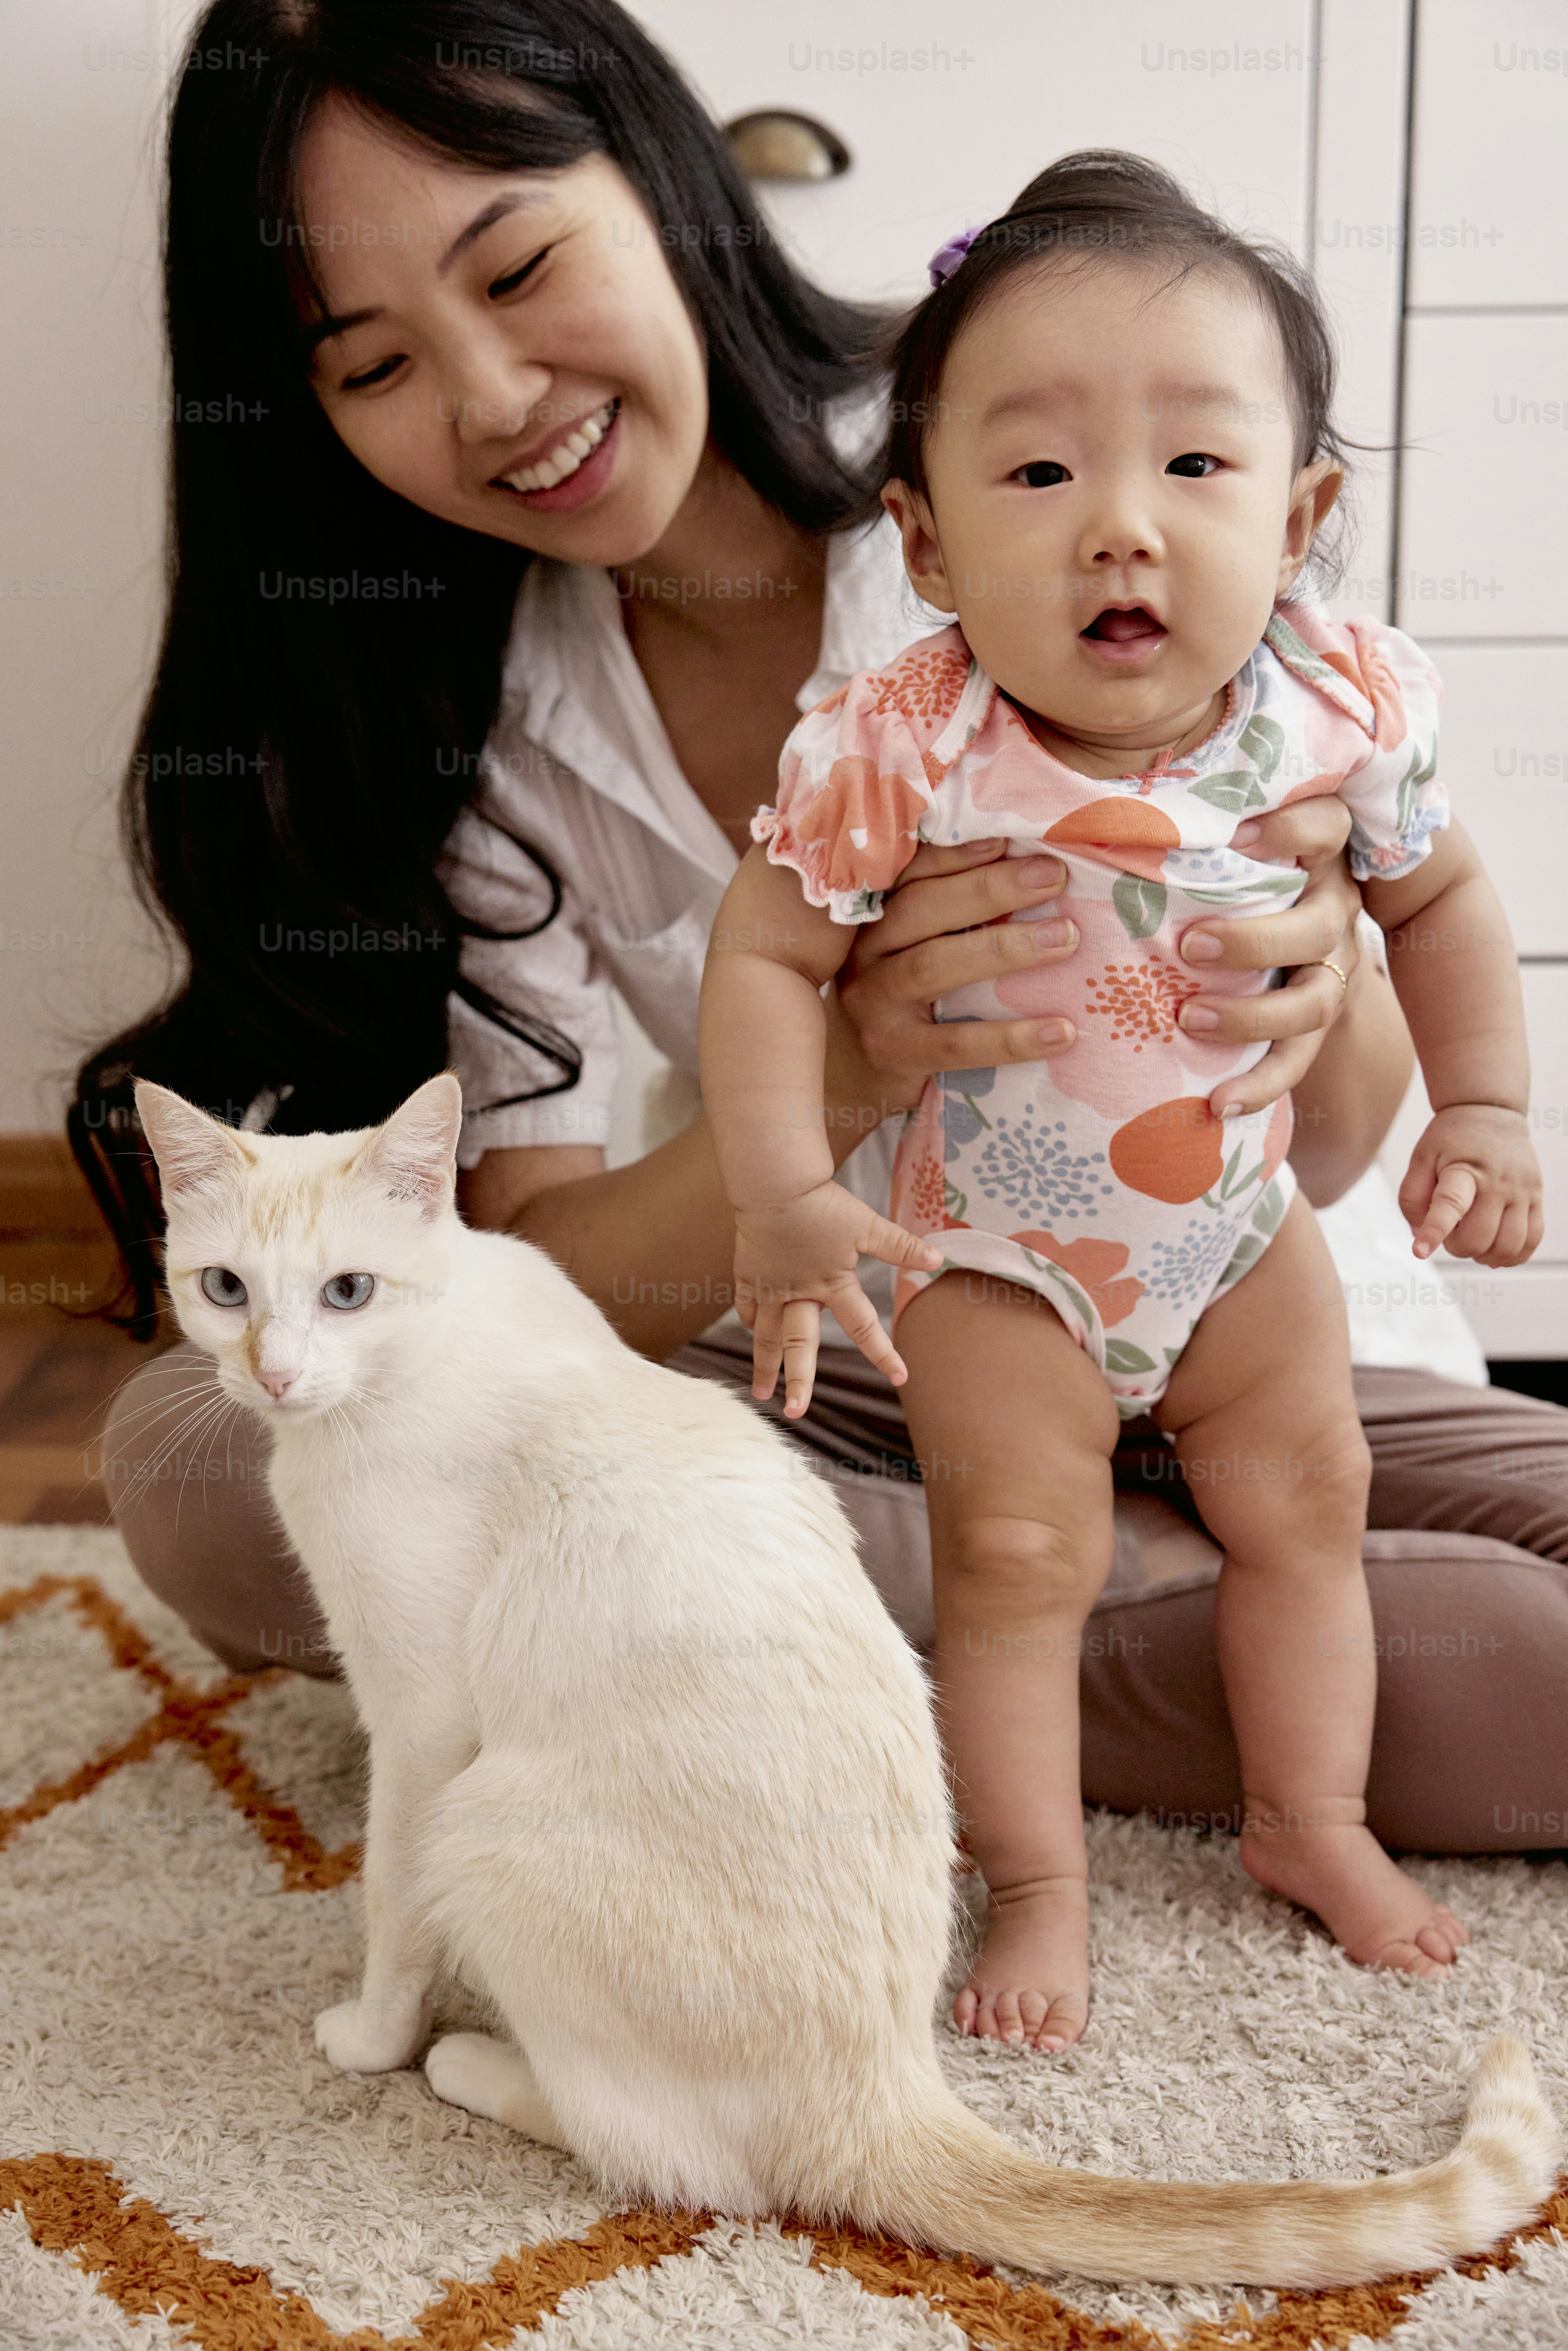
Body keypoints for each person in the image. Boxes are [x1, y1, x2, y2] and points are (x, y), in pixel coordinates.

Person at [85, 5, 1568, 2023]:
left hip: (1264, 1296)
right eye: (375, 366)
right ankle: (1077, 1609)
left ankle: (1012, 1620)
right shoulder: (483, 731)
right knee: (219, 1491)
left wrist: (1351, 987)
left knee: (1463, 1573)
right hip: (889, 1334)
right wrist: (838, 1086)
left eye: (517, 269)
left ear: (662, 182)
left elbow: (1332, 1137)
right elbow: (543, 1290)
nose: (498, 398)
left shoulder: (1071, 438)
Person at [697, 154, 1543, 2052]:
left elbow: (1443, 904)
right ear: (925, 546)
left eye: (1195, 464)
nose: (1121, 531)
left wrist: (1484, 1107)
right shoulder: (907, 737)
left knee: (1310, 1505)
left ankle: (1308, 1819)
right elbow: (762, 957)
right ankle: (1038, 1881)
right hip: (1000, 1256)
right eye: (1038, 472)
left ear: (1301, 515)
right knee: (1017, 1556)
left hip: (1242, 1236)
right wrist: (782, 1193)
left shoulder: (1335, 706)